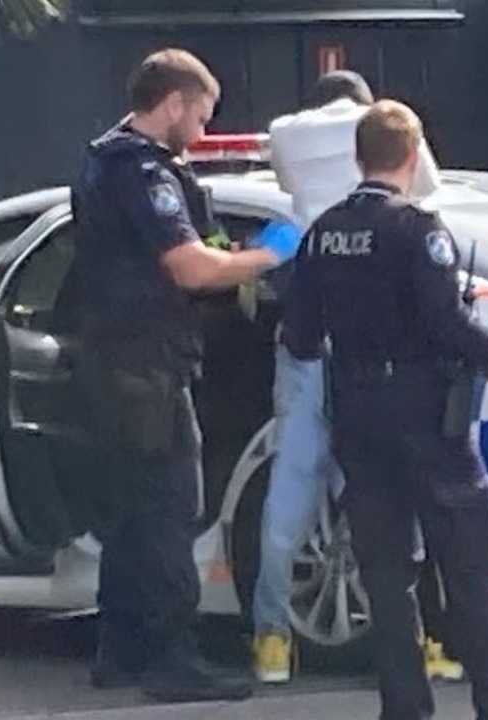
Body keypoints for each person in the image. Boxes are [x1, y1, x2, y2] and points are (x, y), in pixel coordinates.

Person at [284, 99, 488, 720]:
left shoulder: (322, 232)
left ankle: (404, 709)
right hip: (427, 418)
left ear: (358, 156)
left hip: (356, 416)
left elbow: (296, 336)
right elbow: (448, 324)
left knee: (387, 577)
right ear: (414, 154)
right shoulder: (416, 230)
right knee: (470, 571)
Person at [67, 48, 301, 703]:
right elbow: (192, 269)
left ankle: (121, 650)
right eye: (200, 115)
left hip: (111, 360)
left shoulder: (100, 158)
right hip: (148, 365)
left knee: (130, 513)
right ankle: (174, 659)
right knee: (170, 510)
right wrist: (266, 255)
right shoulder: (144, 173)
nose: (201, 130)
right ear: (172, 103)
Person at [252, 69, 461, 685]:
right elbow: (424, 187)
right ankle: (418, 641)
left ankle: (271, 639)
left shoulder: (285, 136)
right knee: (391, 502)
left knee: (290, 491)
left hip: (307, 342)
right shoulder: (395, 146)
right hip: (377, 353)